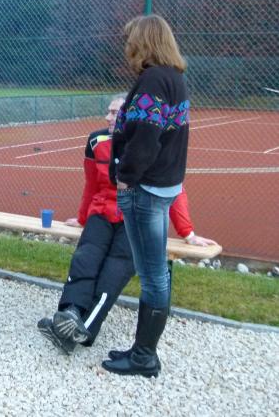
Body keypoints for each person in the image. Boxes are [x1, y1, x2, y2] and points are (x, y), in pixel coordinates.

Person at [37, 95, 217, 356]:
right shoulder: (96, 141)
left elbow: (173, 191)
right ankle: (70, 313)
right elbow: (92, 184)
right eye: (108, 112)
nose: (107, 117)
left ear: (131, 116)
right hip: (101, 212)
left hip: (137, 218)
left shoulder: (154, 145)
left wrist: (187, 233)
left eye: (114, 113)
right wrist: (83, 217)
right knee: (85, 259)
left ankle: (82, 329)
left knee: (114, 271)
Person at [101, 14, 191, 378]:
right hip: (165, 186)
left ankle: (143, 357)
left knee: (153, 275)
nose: (127, 48)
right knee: (156, 272)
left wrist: (125, 178)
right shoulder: (175, 77)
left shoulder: (153, 80)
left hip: (146, 190)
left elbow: (145, 139)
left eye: (130, 41)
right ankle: (142, 350)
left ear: (143, 43)